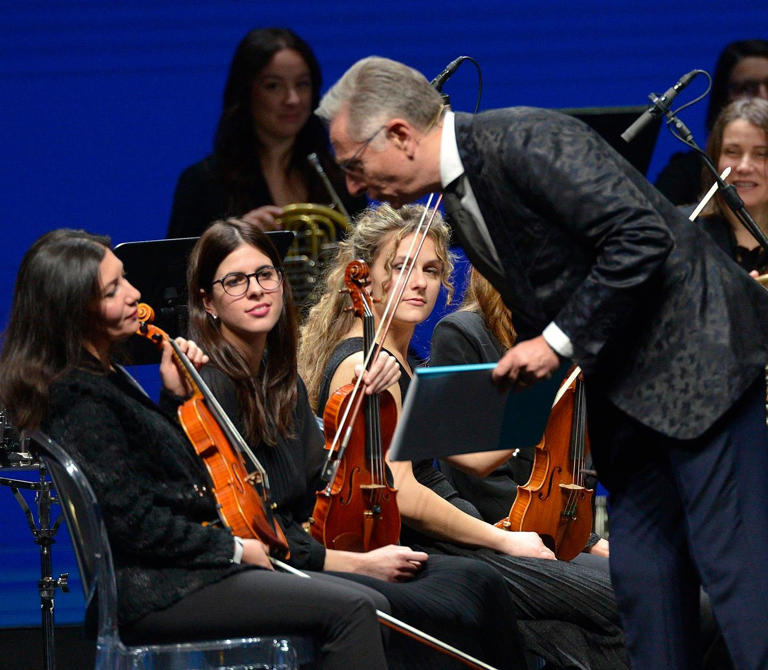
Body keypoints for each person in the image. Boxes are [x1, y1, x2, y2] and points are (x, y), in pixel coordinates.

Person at [317, 56, 768, 669]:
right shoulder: (462, 204)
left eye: (353, 165)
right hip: (632, 415)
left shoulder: (525, 139)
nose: (353, 187)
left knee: (739, 582)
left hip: (702, 378)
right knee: (646, 591)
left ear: (398, 134)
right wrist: (491, 417)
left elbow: (640, 237)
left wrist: (553, 344)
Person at [0, 229, 390, 669]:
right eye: (113, 290)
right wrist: (234, 550)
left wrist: (176, 399)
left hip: (178, 576)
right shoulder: (77, 397)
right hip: (158, 591)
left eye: (124, 279)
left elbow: (166, 474)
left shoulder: (103, 376)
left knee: (367, 599)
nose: (134, 294)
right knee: (356, 609)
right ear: (74, 310)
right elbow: (135, 522)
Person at [185, 217, 525, 670]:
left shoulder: (277, 377)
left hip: (316, 547)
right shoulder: (213, 384)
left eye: (266, 275)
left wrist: (534, 403)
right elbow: (255, 524)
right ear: (207, 301)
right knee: (453, 591)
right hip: (285, 562)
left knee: (479, 582)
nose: (256, 290)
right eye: (235, 281)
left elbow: (323, 475)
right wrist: (352, 562)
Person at [299, 204, 628, 670]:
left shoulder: (405, 358)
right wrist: (506, 542)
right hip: (431, 552)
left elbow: (470, 460)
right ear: (364, 276)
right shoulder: (367, 365)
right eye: (401, 267)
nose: (418, 282)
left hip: (464, 537)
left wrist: (547, 379)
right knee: (621, 600)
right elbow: (404, 494)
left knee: (579, 629)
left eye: (431, 269)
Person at [430, 267, 609, 559]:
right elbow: (477, 480)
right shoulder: (462, 333)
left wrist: (582, 535)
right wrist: (582, 541)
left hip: (561, 531)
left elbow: (575, 464)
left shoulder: (562, 344)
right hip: (498, 532)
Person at [167, 27, 365, 238]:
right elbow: (174, 267)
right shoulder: (202, 184)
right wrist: (232, 238)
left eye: (302, 84)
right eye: (273, 86)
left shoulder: (340, 178)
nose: (293, 99)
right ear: (246, 93)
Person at [655, 38, 768, 205]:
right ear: (723, 97)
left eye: (762, 154)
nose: (763, 98)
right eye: (747, 88)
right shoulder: (685, 176)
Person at [696, 97, 768, 274]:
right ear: (714, 158)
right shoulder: (682, 232)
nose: (744, 167)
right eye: (732, 152)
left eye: (761, 154)